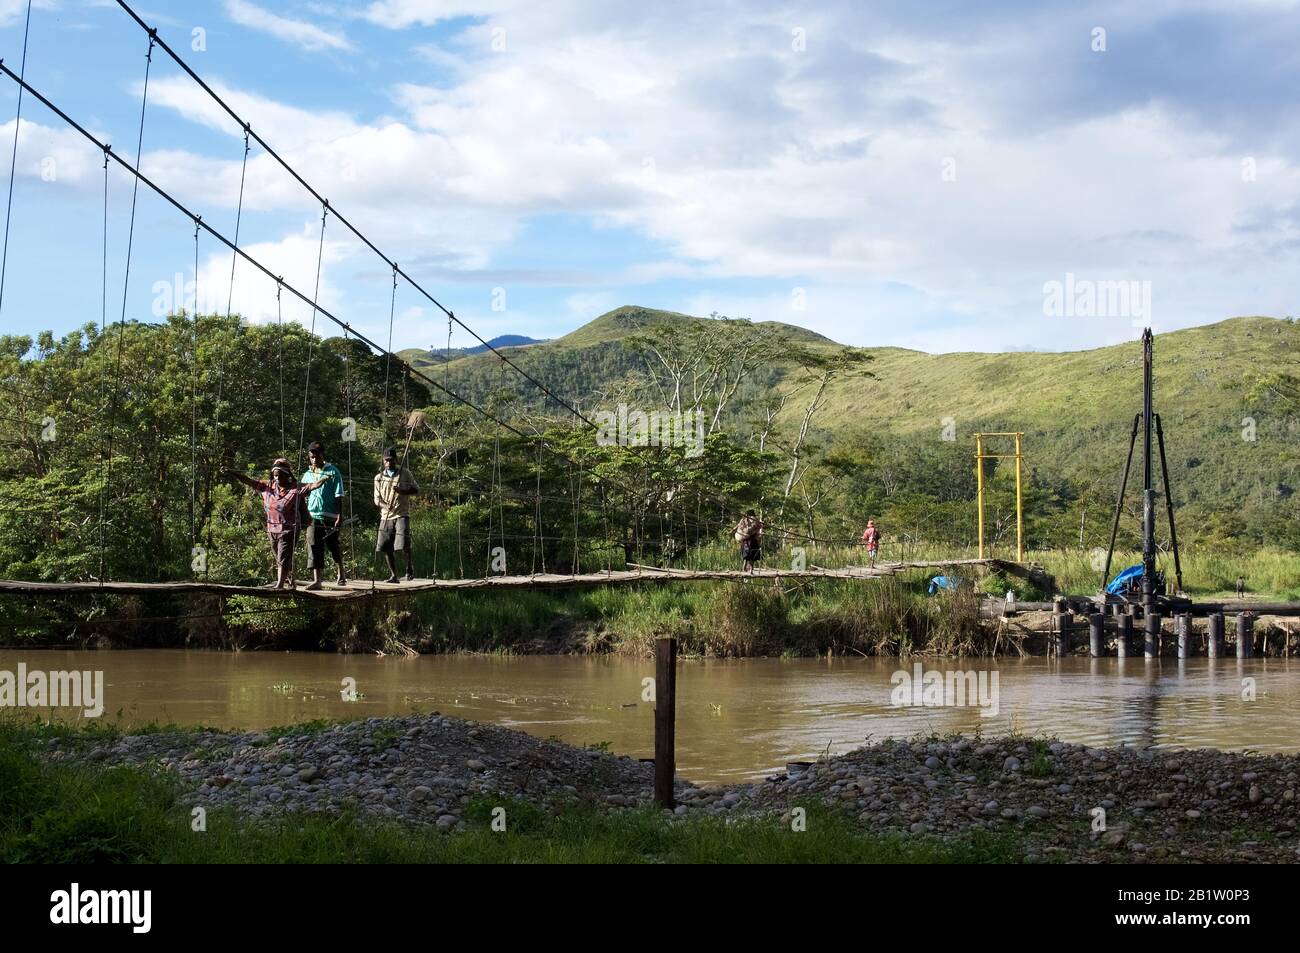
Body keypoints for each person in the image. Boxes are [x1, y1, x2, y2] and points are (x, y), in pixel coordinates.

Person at [224, 459, 328, 589]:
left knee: (283, 558)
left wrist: (324, 479)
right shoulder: (267, 487)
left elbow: (312, 486)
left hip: (288, 530)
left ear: (287, 475)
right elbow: (248, 481)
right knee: (279, 558)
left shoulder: (294, 488)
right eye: (275, 475)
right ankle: (290, 581)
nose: (277, 478)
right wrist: (232, 473)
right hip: (271, 529)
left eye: (280, 475)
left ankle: (279, 586)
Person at [302, 440, 347, 591]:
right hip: (312, 515)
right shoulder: (307, 474)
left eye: (317, 456)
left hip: (330, 516)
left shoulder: (333, 472)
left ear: (322, 455)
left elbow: (339, 495)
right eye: (312, 457)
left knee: (333, 545)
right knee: (314, 545)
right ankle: (317, 580)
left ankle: (341, 572)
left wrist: (340, 516)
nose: (314, 460)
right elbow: (302, 495)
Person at [373, 446, 420, 583]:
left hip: (402, 514)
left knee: (402, 544)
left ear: (395, 460)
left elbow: (416, 489)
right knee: (385, 547)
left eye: (391, 460)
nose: (388, 463)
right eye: (386, 460)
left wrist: (402, 491)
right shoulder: (379, 477)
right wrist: (385, 505)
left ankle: (409, 569)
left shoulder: (404, 473)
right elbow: (377, 500)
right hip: (386, 515)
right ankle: (394, 575)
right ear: (383, 461)